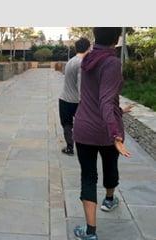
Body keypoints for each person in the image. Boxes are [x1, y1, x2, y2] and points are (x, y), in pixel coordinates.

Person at [73, 28, 133, 239]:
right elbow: (105, 100)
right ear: (116, 39)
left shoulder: (87, 59)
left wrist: (119, 110)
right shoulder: (112, 62)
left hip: (83, 128)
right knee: (110, 166)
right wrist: (116, 134)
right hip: (106, 131)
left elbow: (98, 96)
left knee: (88, 176)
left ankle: (90, 232)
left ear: (95, 37)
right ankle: (109, 200)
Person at [59, 37, 90, 156]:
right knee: (82, 124)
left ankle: (69, 147)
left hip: (64, 99)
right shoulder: (82, 62)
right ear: (88, 48)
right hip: (77, 101)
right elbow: (81, 83)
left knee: (67, 124)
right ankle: (85, 147)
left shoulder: (71, 61)